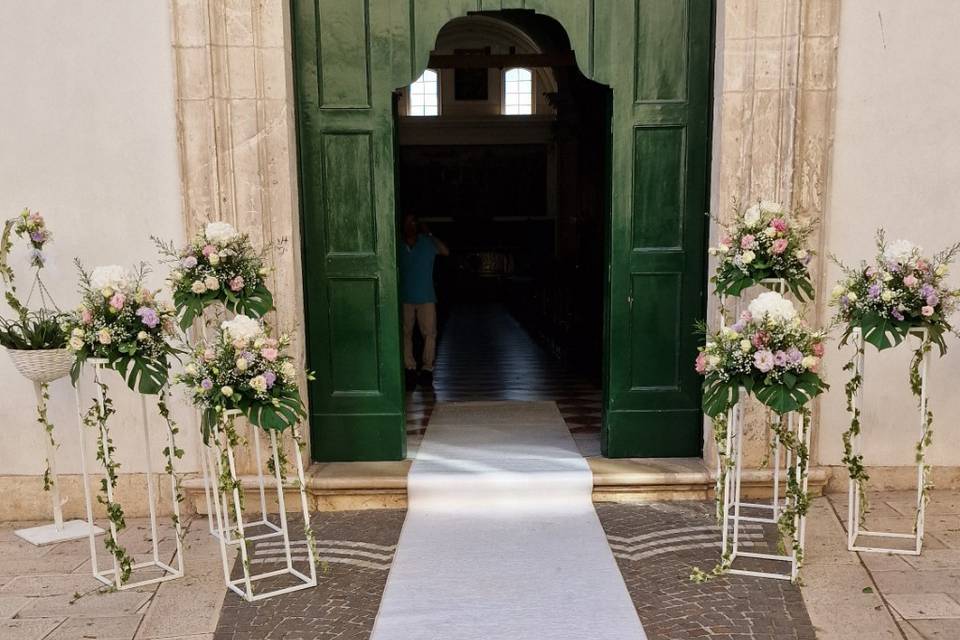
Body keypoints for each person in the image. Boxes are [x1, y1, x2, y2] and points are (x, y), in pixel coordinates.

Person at [399, 214, 449, 389]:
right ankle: (409, 368)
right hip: (404, 297)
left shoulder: (426, 243)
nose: (410, 224)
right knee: (405, 334)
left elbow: (445, 251)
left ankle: (427, 369)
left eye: (413, 221)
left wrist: (429, 234)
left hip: (426, 297)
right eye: (407, 221)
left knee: (429, 334)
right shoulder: (398, 244)